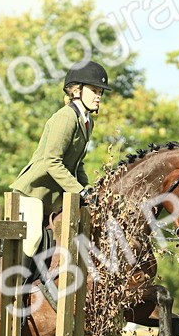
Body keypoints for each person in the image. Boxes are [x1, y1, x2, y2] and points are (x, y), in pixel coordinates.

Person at [9, 60, 110, 263]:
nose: (98, 96)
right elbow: (51, 161)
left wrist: (88, 190)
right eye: (94, 90)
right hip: (33, 193)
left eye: (100, 92)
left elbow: (78, 164)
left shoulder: (87, 122)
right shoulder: (66, 117)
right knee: (33, 239)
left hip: (53, 199)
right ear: (76, 91)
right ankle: (16, 282)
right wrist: (79, 191)